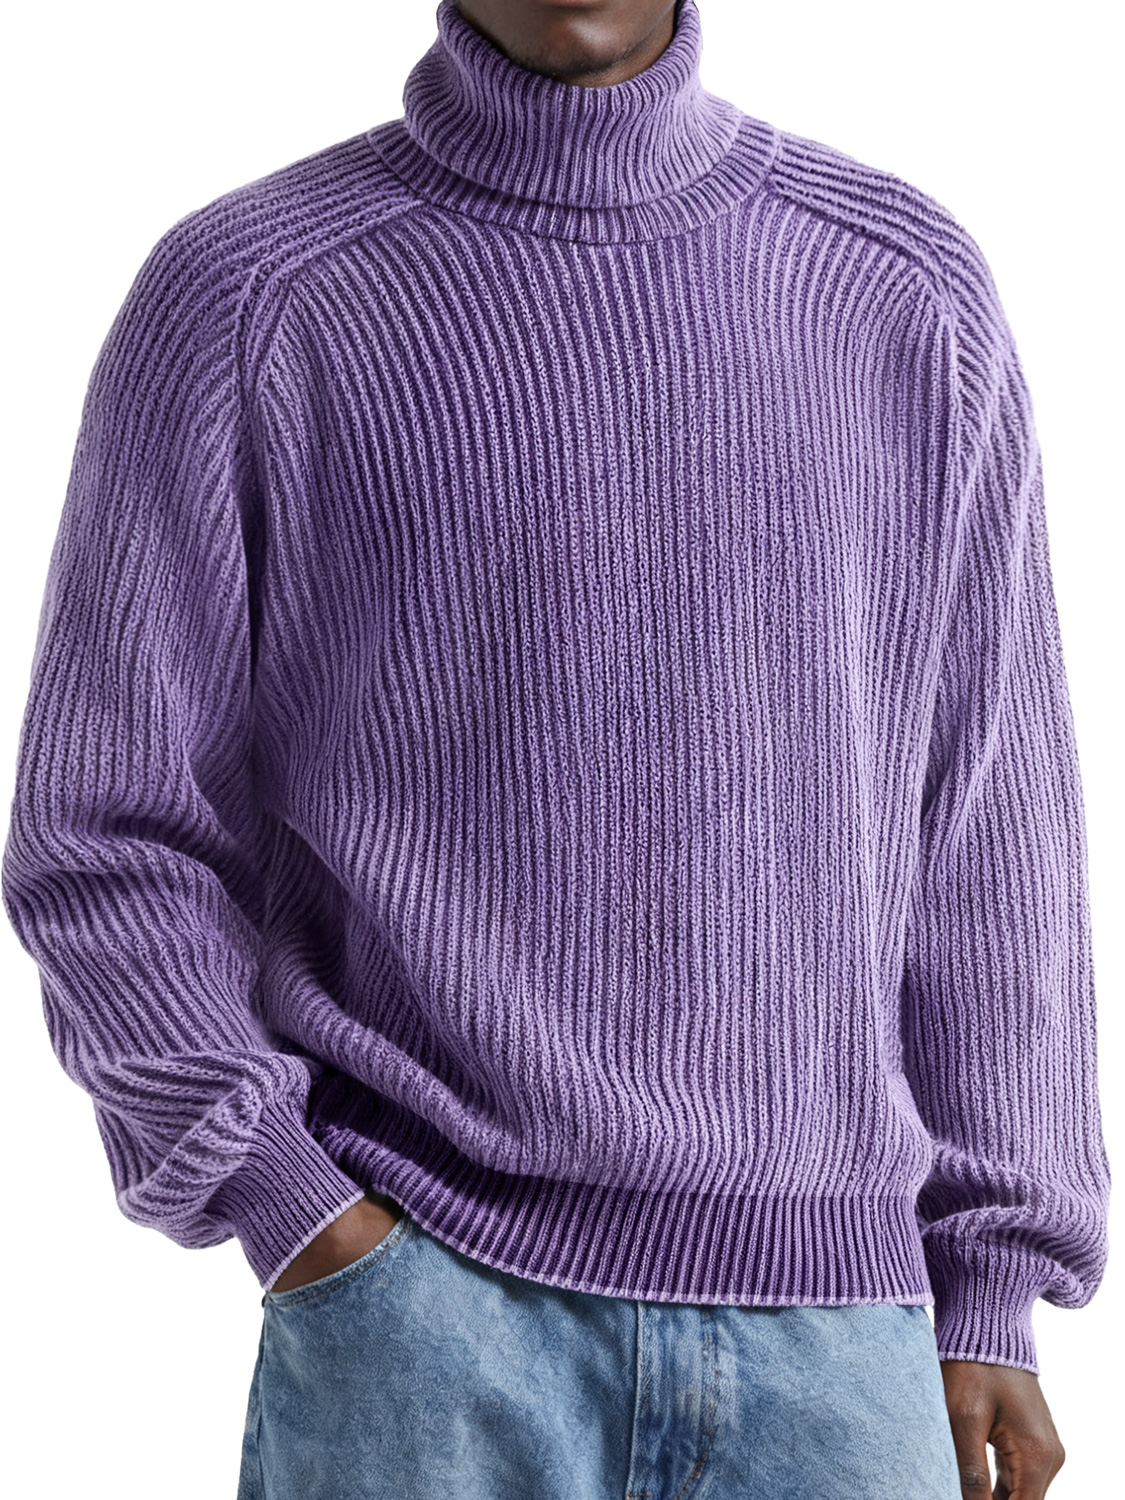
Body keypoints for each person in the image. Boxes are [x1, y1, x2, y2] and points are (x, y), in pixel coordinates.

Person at [1, 0, 1110, 1495]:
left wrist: (993, 1281)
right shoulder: (254, 296)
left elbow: (989, 832)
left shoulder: (900, 288)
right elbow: (106, 830)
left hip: (840, 1354)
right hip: (421, 1335)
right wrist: (290, 1206)